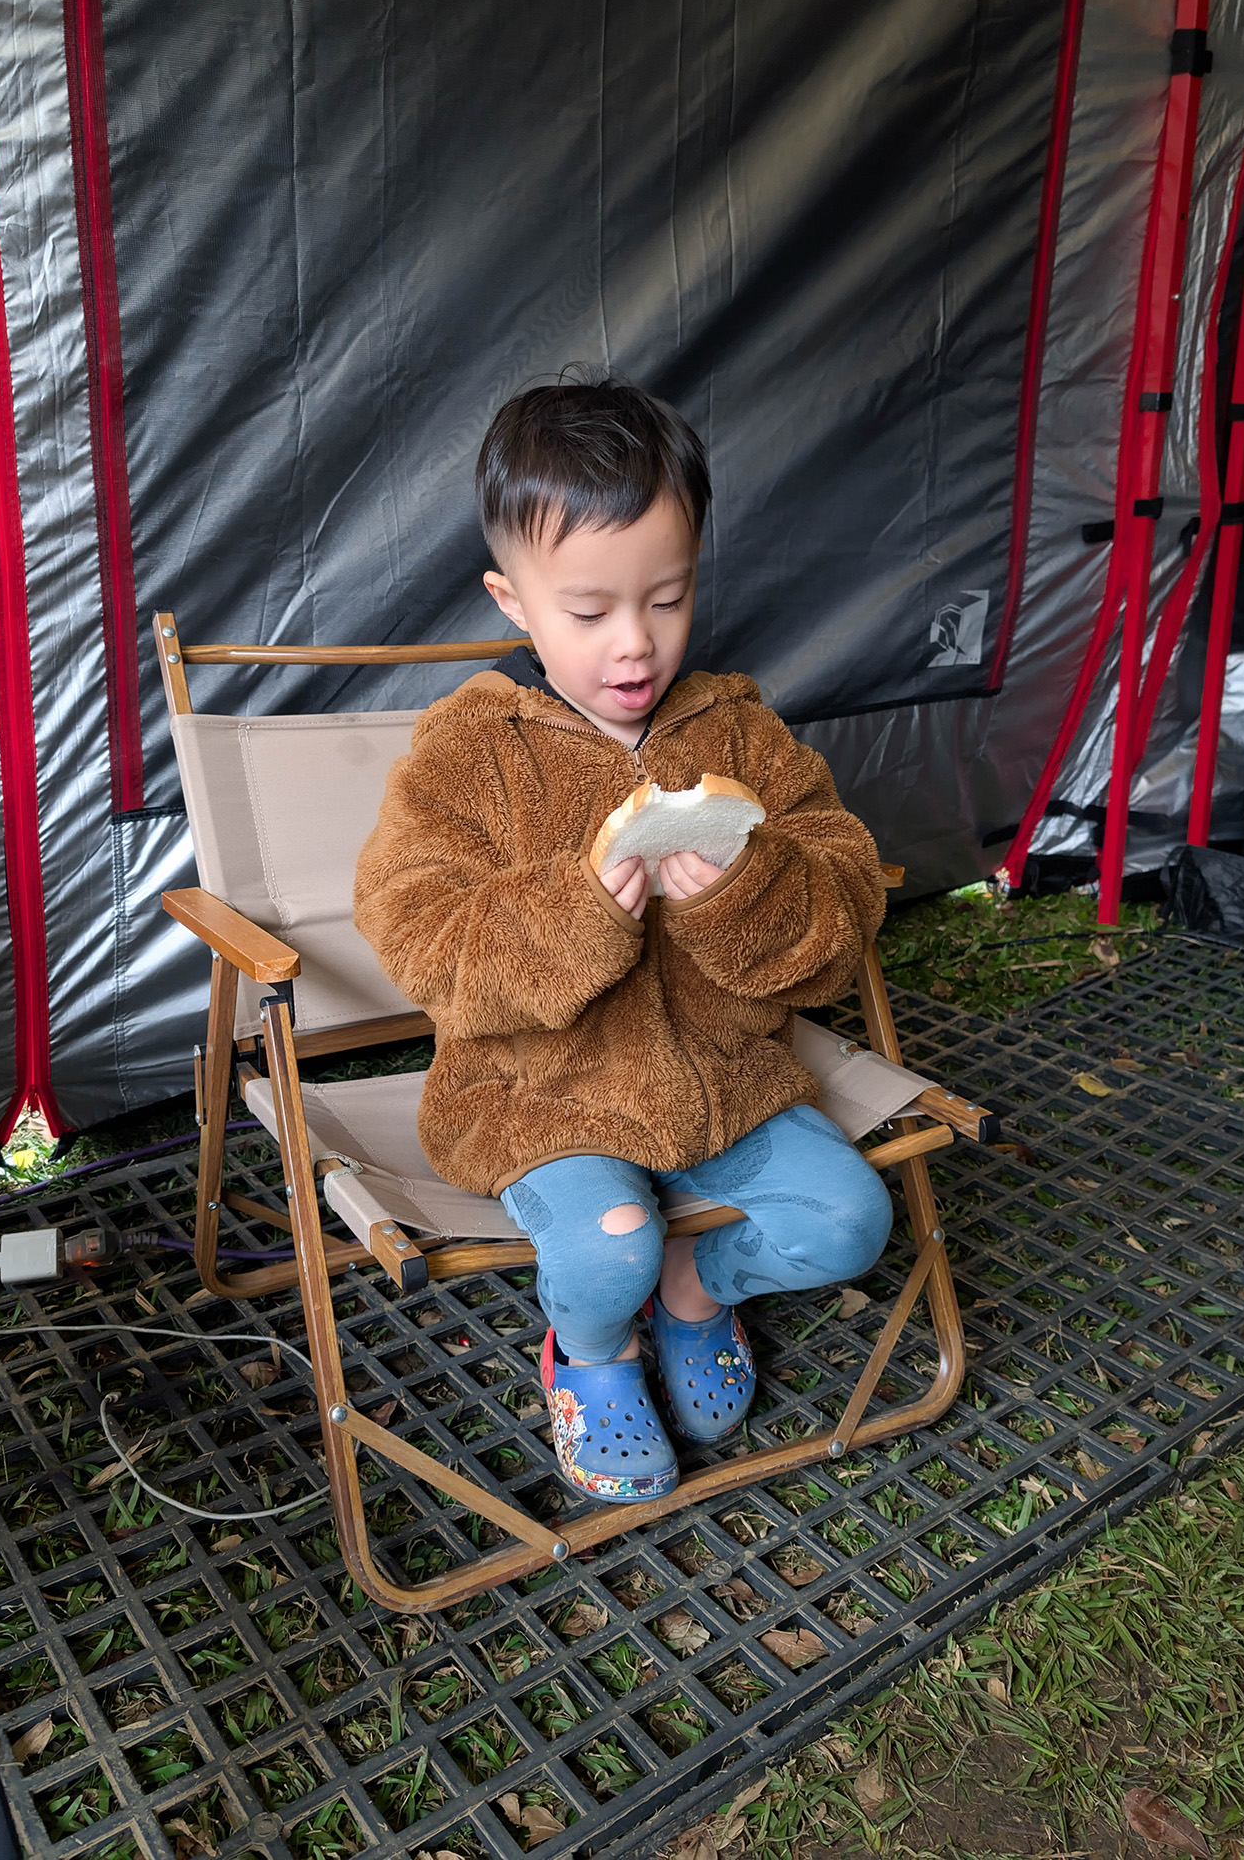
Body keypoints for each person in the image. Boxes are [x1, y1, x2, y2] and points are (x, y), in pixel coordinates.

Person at [353, 372, 892, 1503]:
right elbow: (419, 936)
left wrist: (742, 890)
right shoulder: (469, 752)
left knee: (852, 1219)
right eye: (590, 612)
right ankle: (593, 1353)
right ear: (513, 599)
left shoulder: (738, 729)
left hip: (725, 1084)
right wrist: (581, 903)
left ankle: (700, 1286)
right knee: (608, 1248)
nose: (636, 645)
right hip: (541, 1097)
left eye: (669, 597)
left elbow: (845, 909)